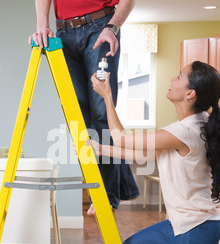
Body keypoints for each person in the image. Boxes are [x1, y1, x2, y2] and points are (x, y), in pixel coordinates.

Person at [88, 61, 220, 244]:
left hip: (196, 227)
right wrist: (101, 149)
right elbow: (146, 154)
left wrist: (107, 97)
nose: (172, 79)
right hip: (183, 223)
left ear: (190, 93)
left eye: (179, 76)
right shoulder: (191, 126)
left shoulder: (186, 131)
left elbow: (121, 138)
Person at [29, 0, 140, 215]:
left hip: (101, 27)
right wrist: (42, 25)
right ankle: (122, 187)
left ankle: (106, 195)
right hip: (63, 33)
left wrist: (113, 26)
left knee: (101, 113)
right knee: (79, 118)